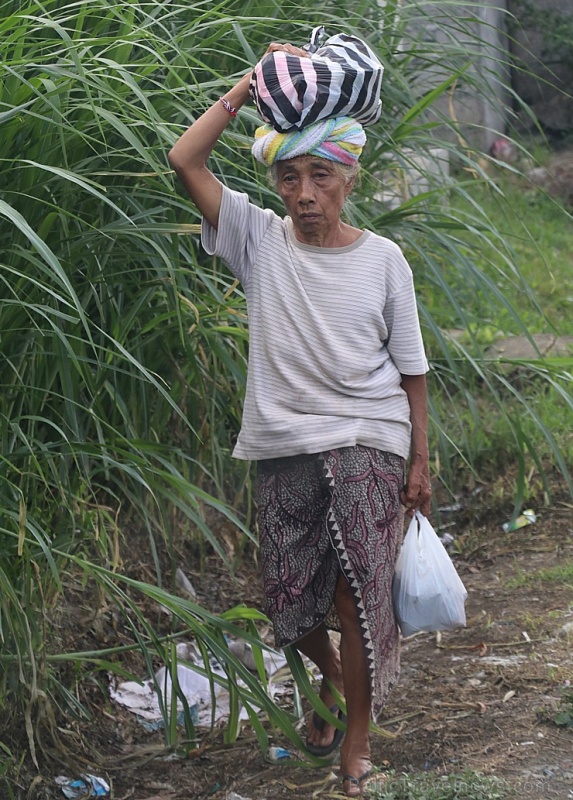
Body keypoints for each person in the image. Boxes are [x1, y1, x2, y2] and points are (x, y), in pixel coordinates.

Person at [168, 42, 432, 798]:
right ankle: (338, 686)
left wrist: (419, 462)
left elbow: (411, 371)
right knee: (288, 601)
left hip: (368, 438)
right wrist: (246, 89)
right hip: (282, 440)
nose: (305, 192)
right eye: (290, 176)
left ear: (348, 178)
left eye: (321, 175)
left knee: (351, 592)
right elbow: (185, 159)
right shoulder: (256, 240)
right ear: (276, 182)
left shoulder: (384, 259)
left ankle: (355, 738)